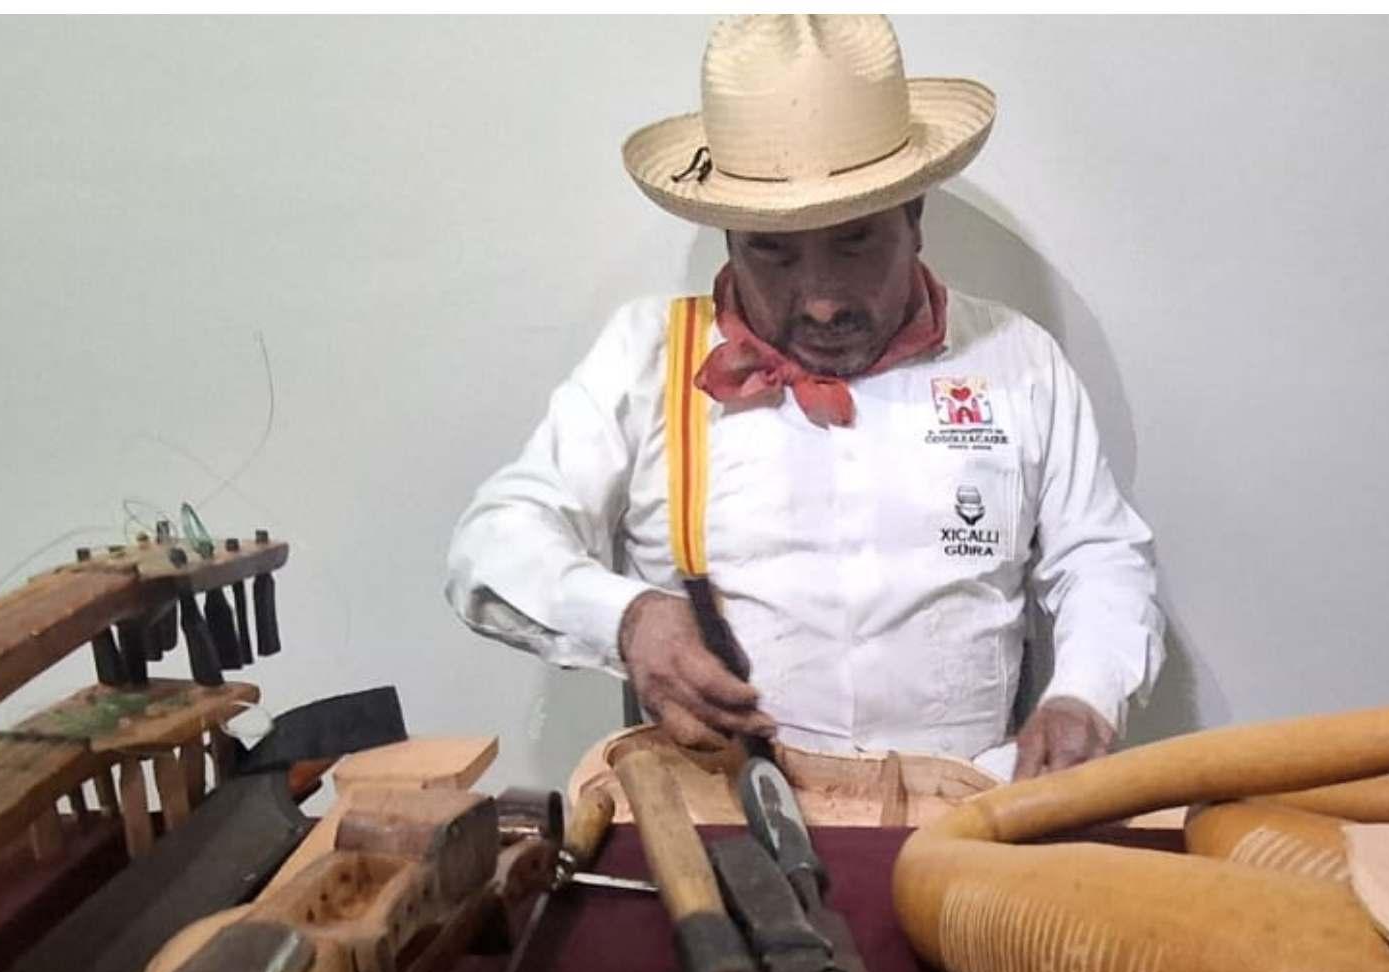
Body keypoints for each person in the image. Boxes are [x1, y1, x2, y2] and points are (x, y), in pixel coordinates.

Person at [446, 14, 1163, 780]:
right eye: (774, 253)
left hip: (971, 813)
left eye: (854, 241)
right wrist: (626, 619)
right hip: (719, 824)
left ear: (915, 216)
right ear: (727, 237)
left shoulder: (1016, 360)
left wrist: (1087, 692)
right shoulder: (643, 358)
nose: (820, 303)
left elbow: (1099, 554)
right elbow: (491, 542)